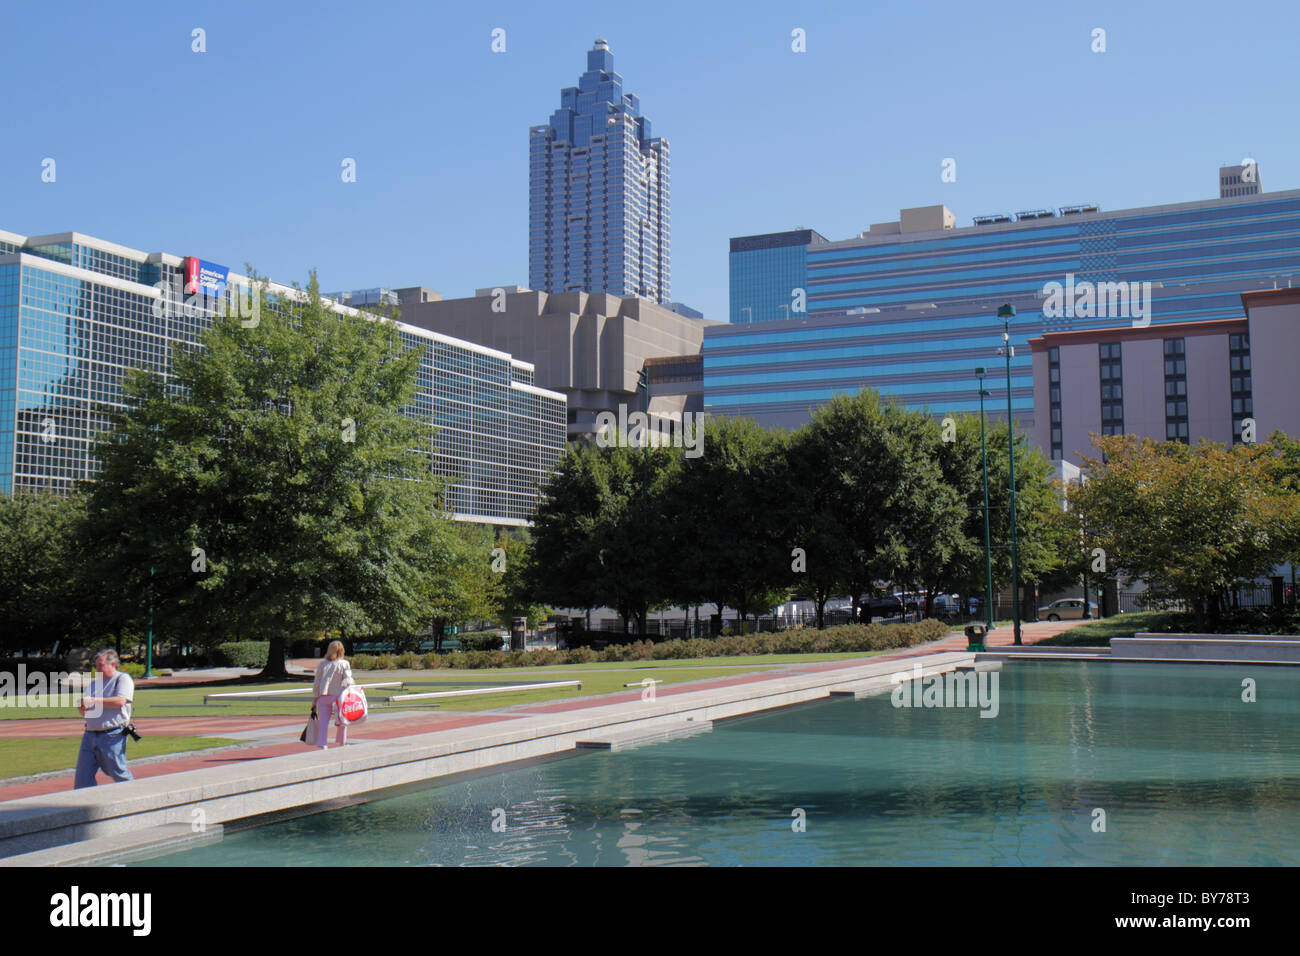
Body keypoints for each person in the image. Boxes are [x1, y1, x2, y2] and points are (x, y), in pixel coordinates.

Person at [74, 649, 136, 789]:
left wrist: (94, 700)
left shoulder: (122, 679)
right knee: (82, 778)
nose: (97, 669)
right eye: (96, 666)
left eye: (101, 665)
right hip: (90, 734)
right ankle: (85, 807)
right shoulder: (94, 684)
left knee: (117, 773)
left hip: (112, 734)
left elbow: (120, 701)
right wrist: (82, 707)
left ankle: (135, 796)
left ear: (113, 664)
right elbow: (88, 713)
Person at [311, 641, 354, 749]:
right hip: (339, 696)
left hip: (323, 696)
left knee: (323, 722)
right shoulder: (344, 664)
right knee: (342, 720)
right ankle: (341, 742)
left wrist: (314, 700)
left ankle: (322, 744)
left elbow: (316, 683)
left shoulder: (322, 665)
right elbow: (348, 680)